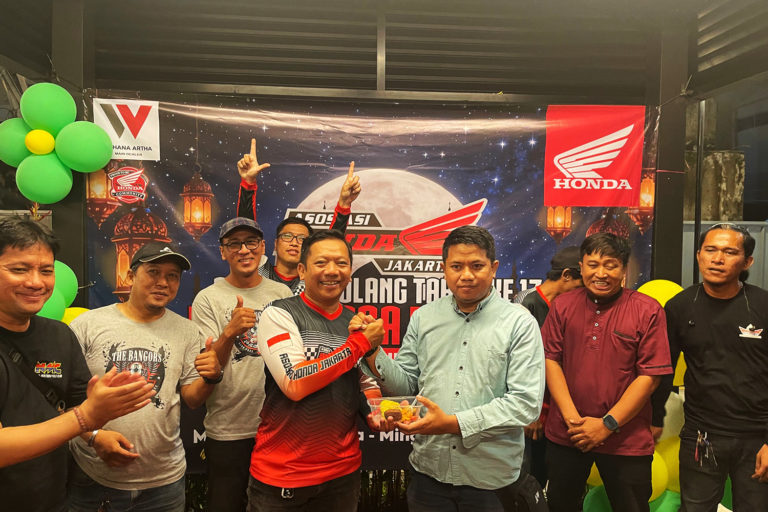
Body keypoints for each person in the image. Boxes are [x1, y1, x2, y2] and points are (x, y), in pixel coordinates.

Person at [363, 225, 546, 511]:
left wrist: (453, 423)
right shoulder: (424, 317)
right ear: (444, 269)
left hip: (491, 481)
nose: (467, 275)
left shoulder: (519, 322)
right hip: (428, 474)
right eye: (457, 266)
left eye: (477, 266)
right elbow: (408, 386)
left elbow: (525, 404)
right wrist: (373, 350)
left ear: (493, 268)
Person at [0, 216, 155, 512]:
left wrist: (95, 433)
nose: (35, 282)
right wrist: (85, 418)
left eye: (46, 271)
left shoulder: (59, 334)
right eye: (19, 269)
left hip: (56, 498)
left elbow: (73, 405)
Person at [68, 242, 222, 512]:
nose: (163, 282)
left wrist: (211, 377)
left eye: (172, 276)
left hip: (164, 482)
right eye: (153, 272)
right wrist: (93, 436)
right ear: (130, 276)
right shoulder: (87, 325)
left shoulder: (187, 331)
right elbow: (63, 398)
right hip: (95, 478)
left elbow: (192, 399)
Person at [248, 229, 385, 512]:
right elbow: (294, 383)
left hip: (343, 474)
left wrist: (375, 410)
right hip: (284, 473)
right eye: (321, 262)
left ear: (350, 272)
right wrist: (360, 344)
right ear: (302, 270)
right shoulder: (278, 314)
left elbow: (364, 381)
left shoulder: (353, 321)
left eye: (341, 263)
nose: (332, 271)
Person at [542, 232, 672, 512]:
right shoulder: (563, 306)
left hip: (626, 438)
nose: (600, 273)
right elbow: (551, 361)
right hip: (568, 434)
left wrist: (607, 425)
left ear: (624, 270)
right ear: (581, 267)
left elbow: (650, 377)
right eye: (593, 265)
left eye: (610, 265)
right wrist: (572, 420)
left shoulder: (647, 310)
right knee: (561, 505)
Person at [651, 223, 768, 511]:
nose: (717, 259)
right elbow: (663, 370)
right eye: (710, 250)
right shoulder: (680, 307)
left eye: (729, 252)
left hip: (757, 438)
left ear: (747, 262)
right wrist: (654, 418)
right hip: (701, 436)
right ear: (698, 255)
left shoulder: (763, 305)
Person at [191, 217, 292, 512]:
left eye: (251, 242)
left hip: (277, 428)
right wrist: (229, 333)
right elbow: (210, 368)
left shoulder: (282, 294)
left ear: (263, 247)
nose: (244, 250)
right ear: (223, 252)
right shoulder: (207, 299)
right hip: (228, 429)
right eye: (234, 244)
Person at [235, 137, 360, 293]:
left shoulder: (312, 280)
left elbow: (331, 246)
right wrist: (248, 183)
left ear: (308, 249)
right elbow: (246, 232)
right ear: (275, 244)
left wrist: (344, 205)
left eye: (301, 239)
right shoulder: (258, 272)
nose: (294, 243)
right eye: (287, 236)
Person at [516, 245, 583, 487]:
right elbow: (520, 365)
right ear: (566, 275)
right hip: (533, 412)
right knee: (528, 478)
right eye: (581, 283)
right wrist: (532, 412)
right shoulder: (526, 304)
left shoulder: (571, 306)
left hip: (561, 410)